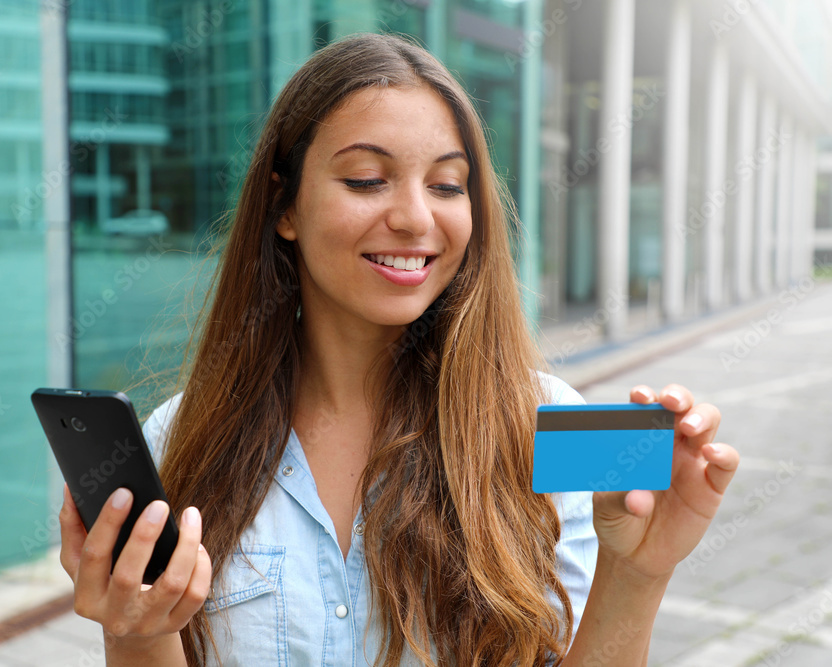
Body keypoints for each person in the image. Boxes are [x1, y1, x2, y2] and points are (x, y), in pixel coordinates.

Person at [58, 33, 739, 666]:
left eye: (447, 184)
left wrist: (638, 572)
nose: (416, 217)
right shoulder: (181, 437)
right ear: (284, 206)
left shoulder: (552, 423)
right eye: (365, 179)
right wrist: (136, 626)